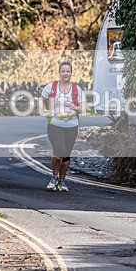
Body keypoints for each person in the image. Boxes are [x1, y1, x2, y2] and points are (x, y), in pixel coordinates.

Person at [40, 61, 83, 192]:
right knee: (59, 150)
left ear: (71, 73)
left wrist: (74, 107)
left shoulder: (77, 89)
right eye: (63, 71)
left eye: (68, 71)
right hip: (55, 124)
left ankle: (62, 181)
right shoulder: (52, 86)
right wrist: (44, 111)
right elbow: (42, 99)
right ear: (59, 73)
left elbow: (81, 109)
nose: (65, 73)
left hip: (72, 125)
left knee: (66, 154)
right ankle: (54, 177)